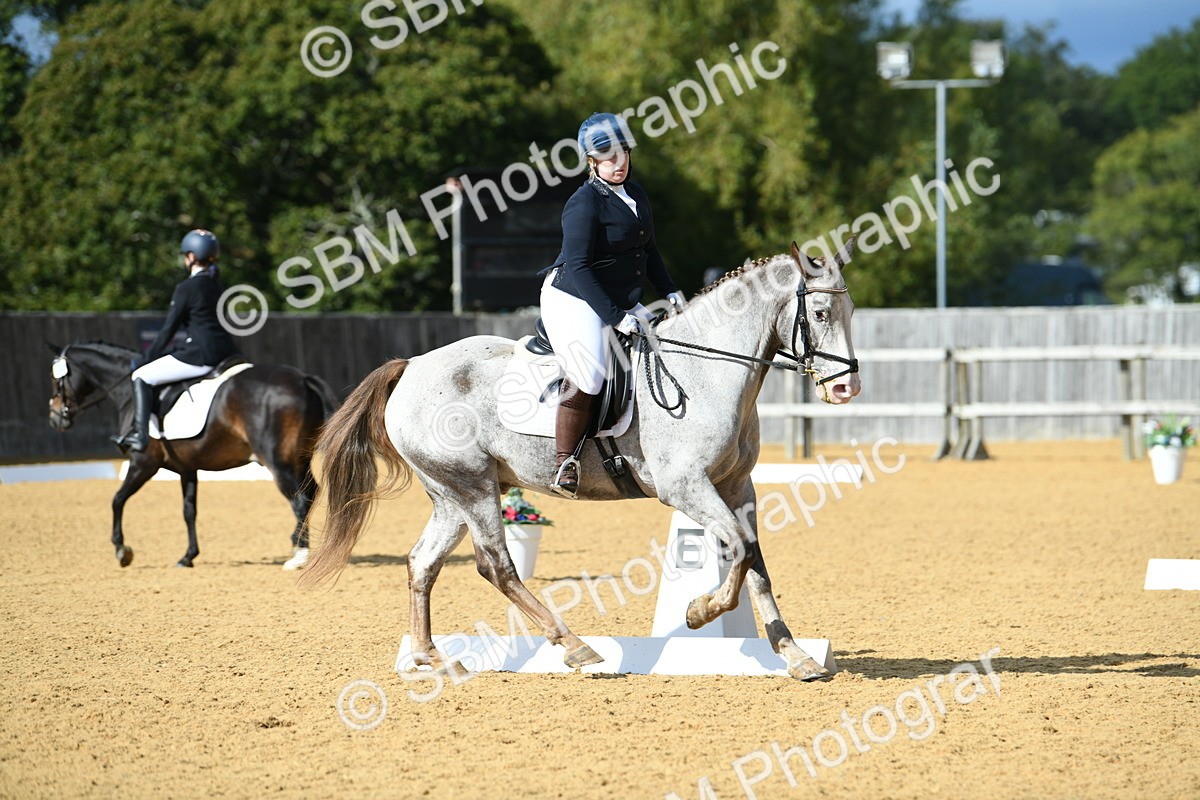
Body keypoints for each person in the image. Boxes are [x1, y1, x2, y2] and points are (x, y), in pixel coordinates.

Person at [538, 112, 686, 498]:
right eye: (608, 157)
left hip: (619, 295)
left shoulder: (636, 194)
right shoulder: (583, 203)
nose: (618, 163)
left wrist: (670, 289)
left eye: (622, 154)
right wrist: (616, 317)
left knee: (667, 342)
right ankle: (564, 462)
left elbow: (649, 250)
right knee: (589, 374)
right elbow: (581, 266)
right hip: (574, 294)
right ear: (592, 161)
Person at [113, 229, 242, 453]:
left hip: (201, 355)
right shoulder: (219, 286)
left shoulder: (186, 288)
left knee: (142, 375)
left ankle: (140, 436)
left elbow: (168, 330)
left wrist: (145, 359)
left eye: (185, 255)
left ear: (191, 257)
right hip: (228, 354)